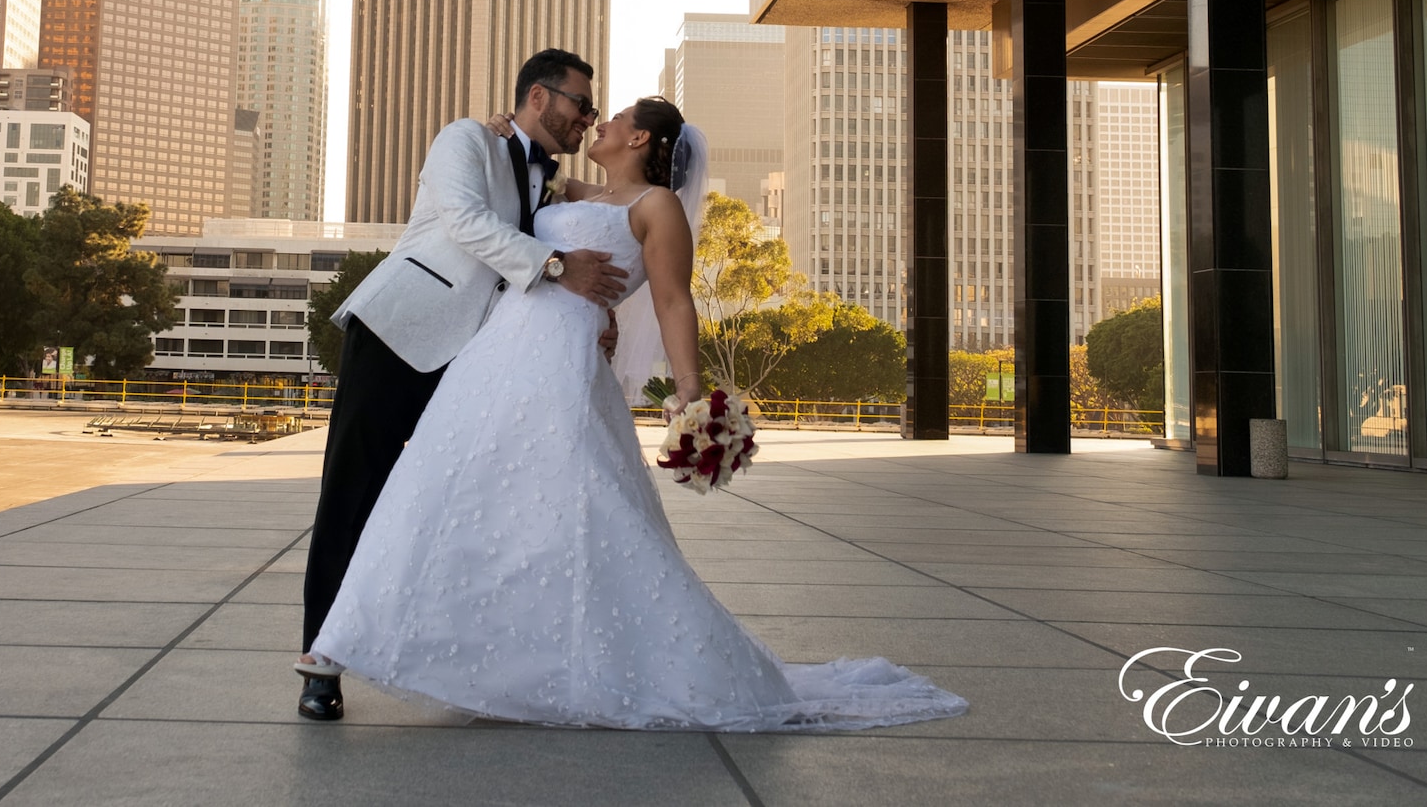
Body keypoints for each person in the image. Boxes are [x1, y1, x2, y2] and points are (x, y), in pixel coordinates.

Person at [303, 97, 968, 731]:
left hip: (563, 363)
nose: (602, 121)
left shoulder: (658, 209)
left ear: (641, 138)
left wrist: (690, 391)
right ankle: (380, 646)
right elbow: (502, 213)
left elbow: (676, 301)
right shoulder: (569, 194)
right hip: (493, 357)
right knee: (445, 493)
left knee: (579, 505)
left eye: (616, 117)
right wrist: (503, 130)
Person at [296, 48, 628, 721]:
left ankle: (458, 659)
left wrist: (596, 309)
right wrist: (561, 267)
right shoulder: (466, 137)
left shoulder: (546, 179)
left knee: (460, 505)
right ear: (539, 98)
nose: (586, 119)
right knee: (352, 496)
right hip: (400, 332)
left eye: (594, 111)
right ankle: (320, 662)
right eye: (580, 105)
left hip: (481, 361)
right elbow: (466, 223)